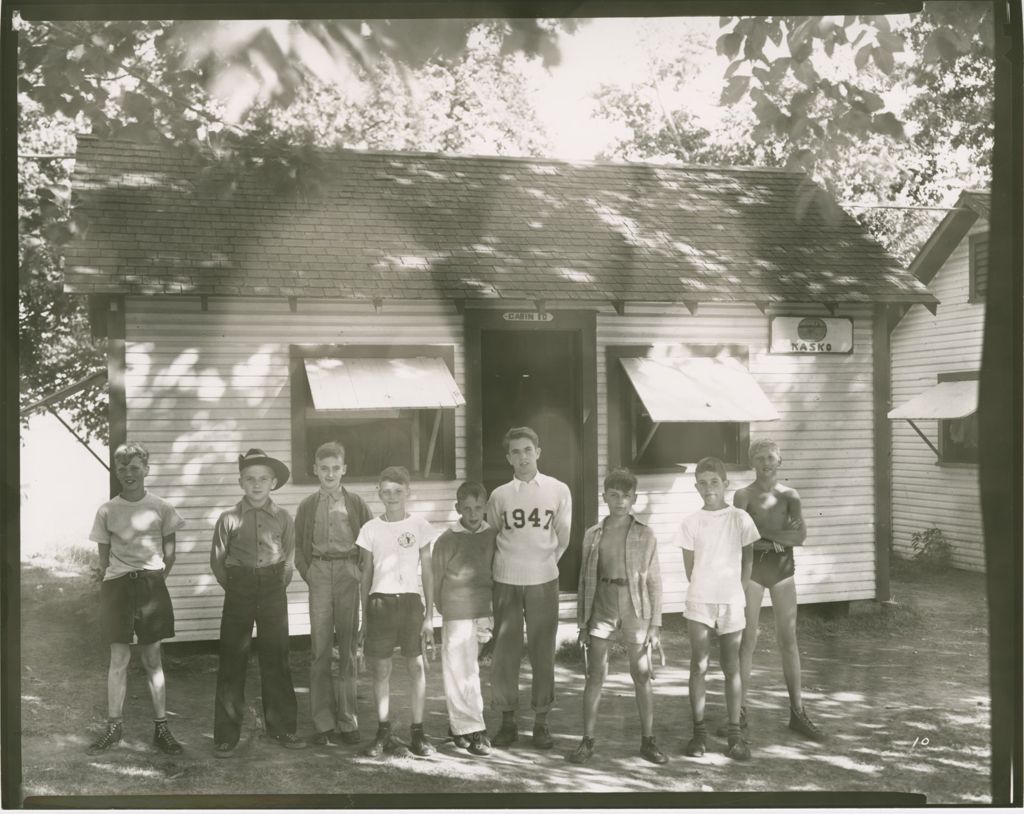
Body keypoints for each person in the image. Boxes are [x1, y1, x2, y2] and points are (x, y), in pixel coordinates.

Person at [86, 441, 186, 755]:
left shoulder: (162, 507)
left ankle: (161, 729)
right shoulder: (106, 510)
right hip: (117, 588)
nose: (128, 473)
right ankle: (114, 727)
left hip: (150, 587)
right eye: (122, 468)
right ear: (116, 471)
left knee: (152, 660)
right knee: (118, 660)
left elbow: (169, 555)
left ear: (146, 469)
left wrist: (152, 581)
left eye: (134, 467)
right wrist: (120, 578)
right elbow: (104, 560)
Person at [210, 448, 308, 756]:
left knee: (276, 657)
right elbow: (218, 563)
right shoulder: (228, 519)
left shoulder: (283, 518)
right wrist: (240, 584)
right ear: (241, 482)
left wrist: (271, 583)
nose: (256, 484)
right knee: (232, 658)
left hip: (273, 586)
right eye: (250, 479)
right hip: (238, 586)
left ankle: (282, 729)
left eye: (263, 479)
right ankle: (226, 735)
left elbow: (289, 559)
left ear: (273, 482)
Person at [569, 468, 667, 765]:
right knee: (595, 674)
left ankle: (648, 741)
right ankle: (587, 741)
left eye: (626, 496)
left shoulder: (645, 533)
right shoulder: (593, 534)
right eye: (614, 495)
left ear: (634, 497)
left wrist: (656, 623)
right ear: (605, 498)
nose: (620, 501)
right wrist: (583, 623)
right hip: (603, 606)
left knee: (641, 673)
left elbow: (654, 581)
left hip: (635, 608)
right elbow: (585, 580)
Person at [729, 438, 824, 742]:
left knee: (789, 641)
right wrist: (777, 538)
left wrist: (762, 534)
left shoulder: (790, 496)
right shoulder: (743, 496)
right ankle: (739, 713)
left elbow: (800, 536)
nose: (765, 463)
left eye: (770, 457)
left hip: (783, 572)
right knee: (747, 642)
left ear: (780, 461)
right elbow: (738, 540)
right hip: (753, 572)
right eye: (759, 458)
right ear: (751, 463)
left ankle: (797, 712)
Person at [486, 426, 572, 749]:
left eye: (527, 450)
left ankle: (541, 721)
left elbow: (562, 538)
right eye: (515, 452)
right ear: (508, 457)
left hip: (543, 580)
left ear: (538, 452)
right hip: (506, 580)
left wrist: (543, 564)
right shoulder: (500, 495)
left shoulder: (558, 490)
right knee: (505, 654)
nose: (522, 457)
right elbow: (492, 536)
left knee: (542, 651)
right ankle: (507, 721)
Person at [676, 456, 760, 761]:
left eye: (714, 482)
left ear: (725, 484)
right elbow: (690, 569)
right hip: (700, 601)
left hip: (731, 601)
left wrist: (737, 591)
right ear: (695, 486)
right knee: (698, 665)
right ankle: (698, 734)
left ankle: (735, 734)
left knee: (731, 667)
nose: (708, 488)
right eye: (702, 482)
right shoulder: (690, 522)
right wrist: (705, 590)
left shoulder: (740, 518)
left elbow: (748, 559)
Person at [356, 466, 439, 758]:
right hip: (380, 603)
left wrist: (429, 616)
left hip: (411, 604)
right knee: (381, 669)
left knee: (416, 666)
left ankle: (418, 733)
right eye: (386, 491)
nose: (392, 496)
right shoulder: (369, 528)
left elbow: (428, 572)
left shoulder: (419, 525)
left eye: (398, 491)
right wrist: (364, 617)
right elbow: (365, 574)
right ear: (379, 492)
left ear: (408, 492)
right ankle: (383, 732)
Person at [294, 441, 373, 746]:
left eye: (335, 468)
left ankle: (348, 720)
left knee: (349, 649)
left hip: (347, 574)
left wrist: (359, 571)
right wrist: (308, 572)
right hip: (320, 575)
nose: (329, 474)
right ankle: (323, 723)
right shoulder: (307, 506)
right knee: (320, 650)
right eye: (323, 468)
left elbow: (370, 541)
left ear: (344, 470)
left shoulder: (355, 503)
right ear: (315, 470)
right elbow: (299, 547)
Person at [432, 481, 497, 757]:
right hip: (457, 610)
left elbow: (496, 569)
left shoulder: (492, 536)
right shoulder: (448, 539)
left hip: (484, 609)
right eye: (467, 508)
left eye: (478, 508)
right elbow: (436, 580)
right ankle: (475, 730)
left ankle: (459, 726)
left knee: (470, 670)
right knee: (459, 668)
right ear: (458, 508)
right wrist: (445, 608)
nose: (473, 514)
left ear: (485, 508)